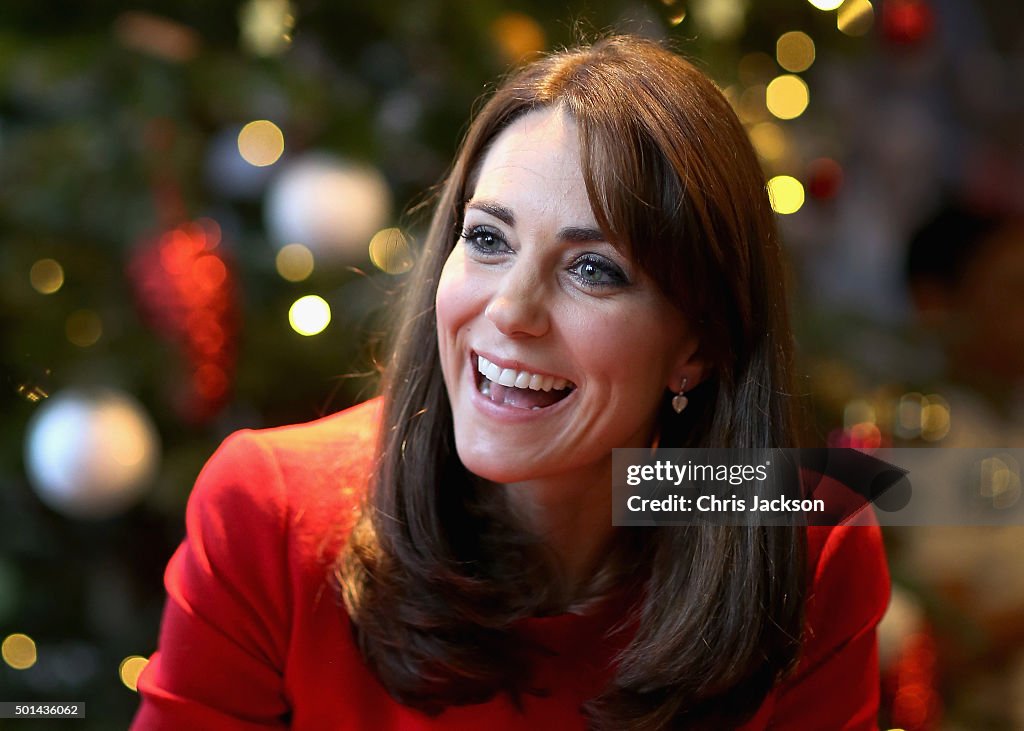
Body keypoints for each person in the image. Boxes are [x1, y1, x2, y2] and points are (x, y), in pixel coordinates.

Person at [132, 36, 889, 730]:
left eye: (594, 269)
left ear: (699, 343)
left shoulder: (807, 542)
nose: (510, 310)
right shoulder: (270, 510)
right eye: (487, 239)